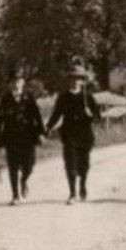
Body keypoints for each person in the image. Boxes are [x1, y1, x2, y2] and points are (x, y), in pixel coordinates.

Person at [45, 60, 101, 204]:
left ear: (83, 81)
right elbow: (56, 114)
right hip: (69, 134)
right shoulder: (63, 97)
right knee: (70, 164)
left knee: (84, 164)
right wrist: (47, 127)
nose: (75, 81)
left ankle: (82, 185)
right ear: (68, 80)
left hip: (85, 135)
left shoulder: (88, 97)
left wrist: (91, 115)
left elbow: (98, 118)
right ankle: (72, 193)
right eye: (73, 78)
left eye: (79, 78)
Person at [0, 72, 45, 204]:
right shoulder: (5, 100)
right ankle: (15, 195)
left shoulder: (29, 97)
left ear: (22, 83)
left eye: (18, 81)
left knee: (29, 165)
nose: (16, 84)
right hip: (11, 137)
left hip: (28, 136)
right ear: (9, 84)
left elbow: (37, 116)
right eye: (13, 81)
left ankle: (23, 180)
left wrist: (41, 132)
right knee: (13, 166)